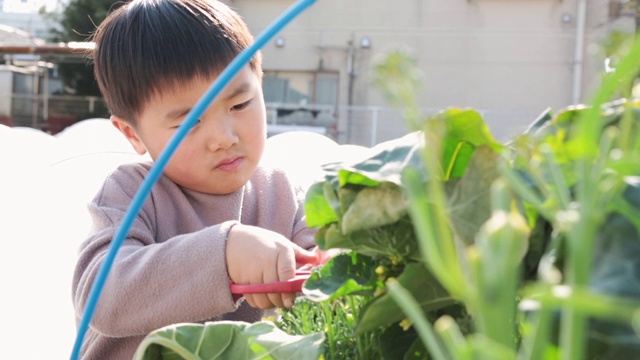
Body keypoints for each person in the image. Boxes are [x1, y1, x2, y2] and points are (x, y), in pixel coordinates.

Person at [71, 0, 322, 358]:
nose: (224, 137)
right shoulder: (131, 194)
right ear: (132, 134)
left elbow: (327, 269)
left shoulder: (283, 193)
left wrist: (329, 263)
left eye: (239, 105)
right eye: (189, 123)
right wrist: (224, 253)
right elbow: (100, 296)